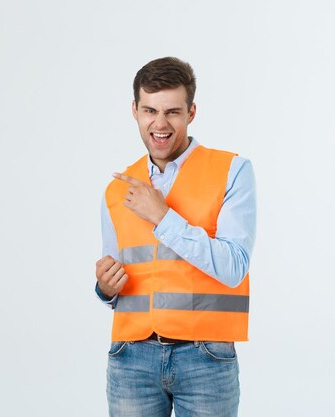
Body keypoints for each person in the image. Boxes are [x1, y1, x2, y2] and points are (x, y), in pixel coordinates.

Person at [94, 56, 256, 417]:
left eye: (172, 112)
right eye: (150, 110)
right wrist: (105, 288)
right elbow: (117, 282)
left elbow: (234, 267)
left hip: (205, 358)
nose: (160, 123)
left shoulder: (232, 171)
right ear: (134, 110)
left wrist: (163, 216)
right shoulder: (116, 190)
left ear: (191, 112)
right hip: (130, 358)